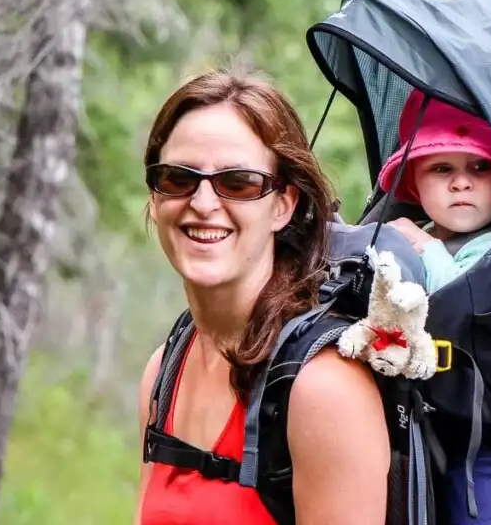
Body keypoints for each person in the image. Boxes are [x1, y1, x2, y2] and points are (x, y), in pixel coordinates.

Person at [134, 69, 390, 525]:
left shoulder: (324, 390)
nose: (204, 203)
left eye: (238, 183)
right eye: (178, 178)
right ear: (155, 197)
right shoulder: (164, 372)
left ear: (283, 204)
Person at [379, 89, 491, 524]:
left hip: (482, 432)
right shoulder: (415, 231)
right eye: (442, 168)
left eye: (481, 167)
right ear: (414, 184)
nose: (462, 182)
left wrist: (421, 246)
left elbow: (460, 296)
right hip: (412, 415)